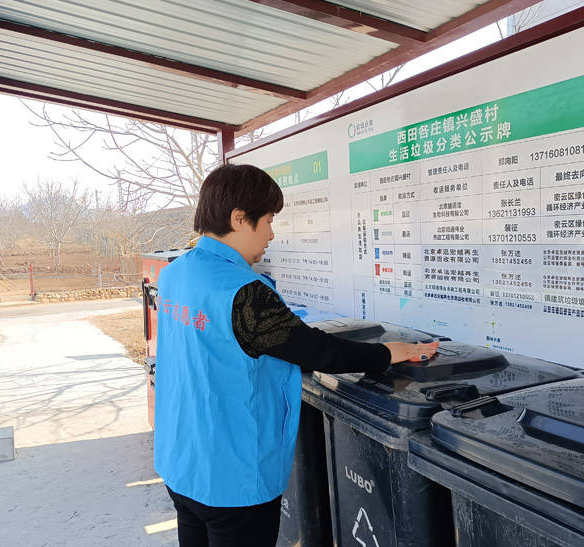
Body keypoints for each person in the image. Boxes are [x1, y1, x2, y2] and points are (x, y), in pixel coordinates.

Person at [154, 164, 438, 547]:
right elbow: (318, 352)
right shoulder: (243, 291)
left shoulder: (175, 273)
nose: (271, 235)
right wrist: (389, 352)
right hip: (230, 476)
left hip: (181, 461)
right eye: (268, 221)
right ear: (239, 219)